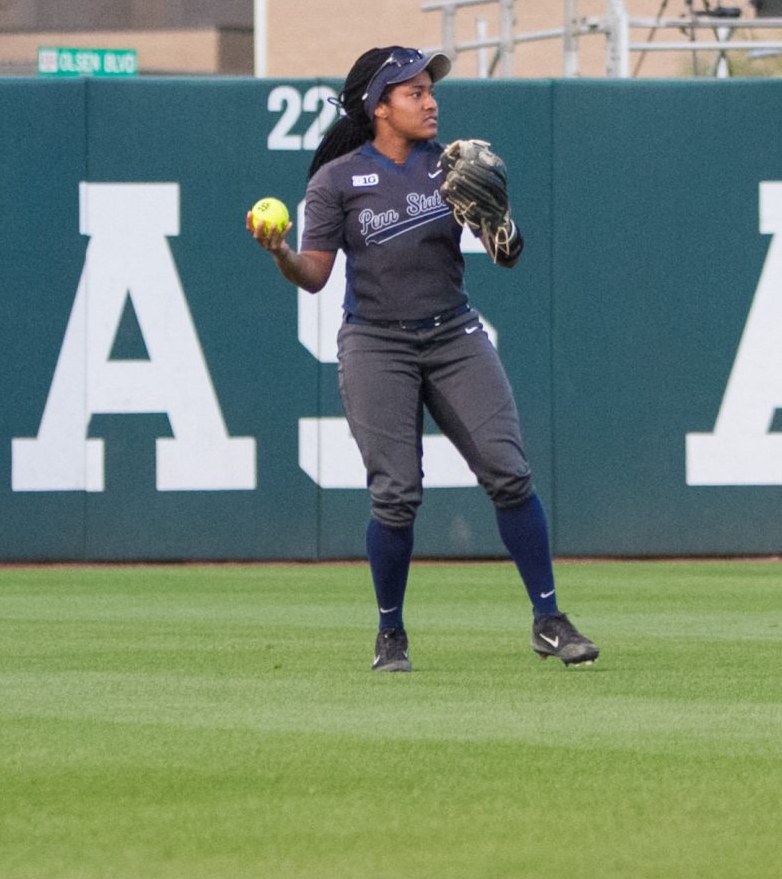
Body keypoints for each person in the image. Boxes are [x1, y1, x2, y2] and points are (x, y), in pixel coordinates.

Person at [251, 45, 599, 673]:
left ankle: (549, 620)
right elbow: (313, 276)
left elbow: (507, 253)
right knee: (396, 496)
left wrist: (502, 221)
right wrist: (278, 253)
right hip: (376, 343)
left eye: (429, 89)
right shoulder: (335, 180)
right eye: (413, 92)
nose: (430, 100)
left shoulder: (451, 167)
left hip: (454, 336)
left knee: (509, 472)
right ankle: (391, 634)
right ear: (379, 107)